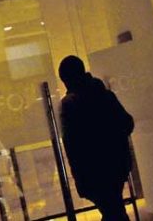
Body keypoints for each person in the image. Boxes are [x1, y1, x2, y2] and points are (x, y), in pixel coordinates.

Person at [58, 55, 134, 221]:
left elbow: (72, 145)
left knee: (113, 212)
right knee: (115, 211)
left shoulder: (69, 105)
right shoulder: (105, 95)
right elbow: (127, 123)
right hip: (116, 164)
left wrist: (79, 176)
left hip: (92, 172)